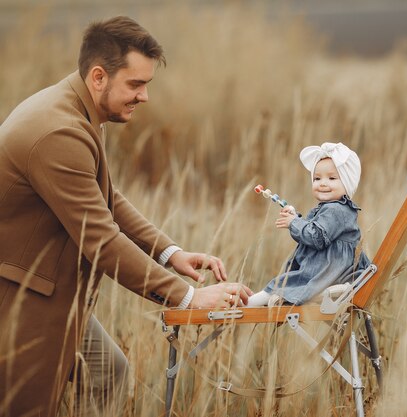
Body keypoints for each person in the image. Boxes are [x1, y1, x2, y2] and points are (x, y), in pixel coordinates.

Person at [0, 16, 252, 417]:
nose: (145, 96)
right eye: (136, 84)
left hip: (51, 294)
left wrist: (170, 253)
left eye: (147, 84)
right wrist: (189, 297)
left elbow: (106, 198)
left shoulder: (76, 109)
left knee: (107, 373)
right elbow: (100, 238)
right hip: (20, 298)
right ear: (99, 76)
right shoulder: (57, 132)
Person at [247, 142, 370, 306]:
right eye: (317, 178)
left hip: (328, 272)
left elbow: (317, 238)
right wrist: (296, 218)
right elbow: (315, 230)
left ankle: (247, 304)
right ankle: (267, 299)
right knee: (285, 283)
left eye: (332, 178)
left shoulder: (336, 210)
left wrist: (294, 223)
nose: (323, 183)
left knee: (282, 284)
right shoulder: (333, 208)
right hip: (329, 270)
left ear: (347, 183)